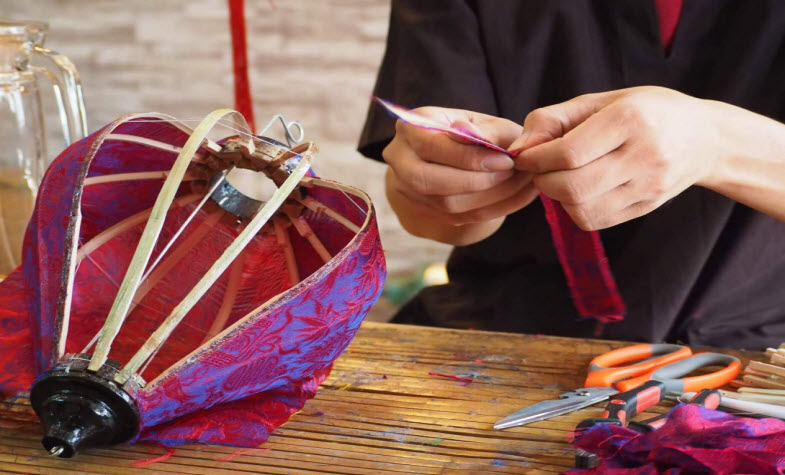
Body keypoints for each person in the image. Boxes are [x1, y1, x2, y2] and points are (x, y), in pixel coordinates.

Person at [357, 0, 785, 350]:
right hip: (504, 337)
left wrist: (714, 142)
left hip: (756, 356)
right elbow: (430, 217)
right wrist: (441, 185)